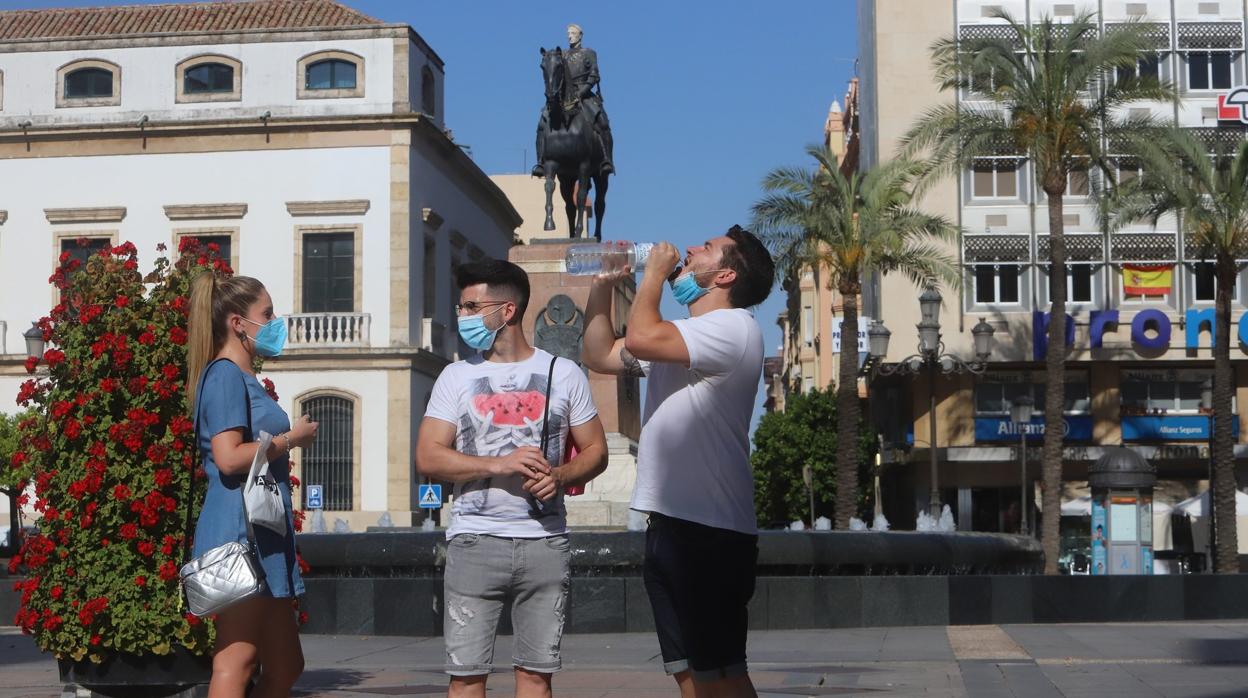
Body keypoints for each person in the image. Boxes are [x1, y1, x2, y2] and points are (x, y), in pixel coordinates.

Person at [582, 226, 776, 698]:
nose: (689, 249)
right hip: (670, 523)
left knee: (722, 674)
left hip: (710, 528)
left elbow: (644, 334)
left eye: (704, 249)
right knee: (690, 673)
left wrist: (652, 276)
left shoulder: (734, 329)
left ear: (725, 274)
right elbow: (599, 354)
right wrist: (603, 284)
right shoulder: (685, 340)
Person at [416, 258, 609, 698]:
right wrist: (497, 464)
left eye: (470, 306)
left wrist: (560, 475)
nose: (461, 316)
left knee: (536, 679)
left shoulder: (565, 373)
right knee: (465, 679)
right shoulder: (457, 376)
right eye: (461, 306)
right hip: (473, 540)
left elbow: (597, 451)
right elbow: (428, 455)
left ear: (505, 311)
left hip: (545, 541)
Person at [186, 272, 318, 698]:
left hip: (263, 534)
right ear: (238, 323)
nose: (276, 322)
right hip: (240, 535)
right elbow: (227, 457)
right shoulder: (225, 375)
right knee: (236, 660)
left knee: (286, 665)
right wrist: (290, 439)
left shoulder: (240, 377)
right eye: (267, 314)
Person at [532, 23, 615, 177]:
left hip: (584, 94)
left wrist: (583, 92)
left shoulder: (589, 53)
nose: (569, 35)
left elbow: (594, 75)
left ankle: (607, 160)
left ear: (580, 35)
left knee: (602, 121)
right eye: (568, 33)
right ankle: (541, 162)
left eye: (573, 33)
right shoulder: (561, 54)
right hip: (563, 96)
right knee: (542, 122)